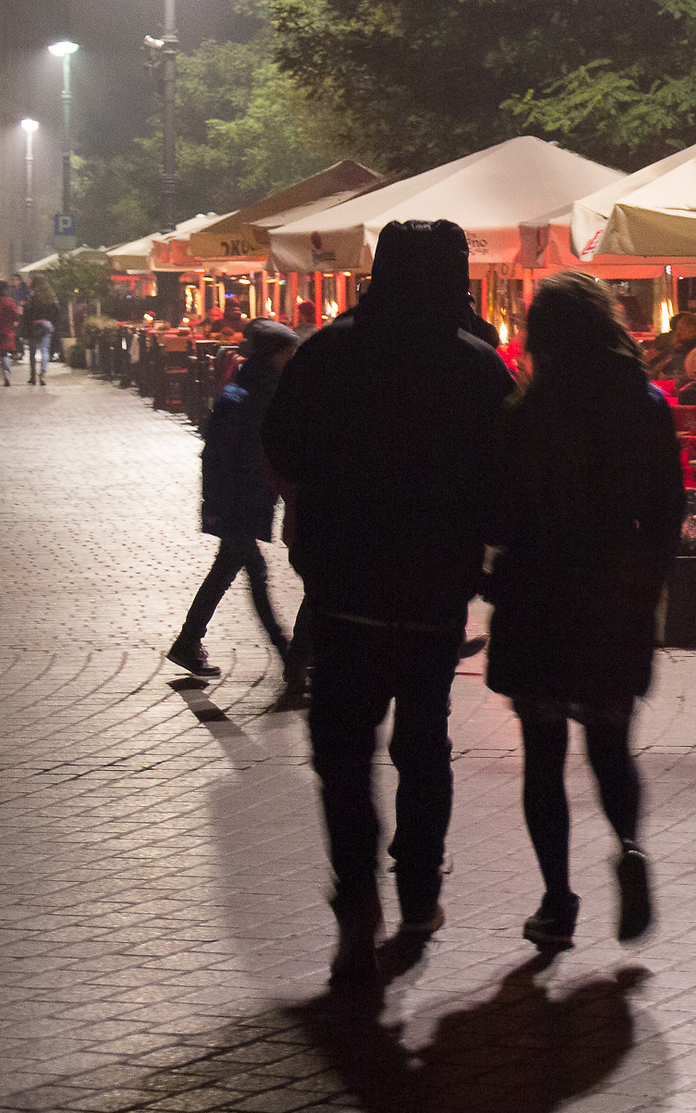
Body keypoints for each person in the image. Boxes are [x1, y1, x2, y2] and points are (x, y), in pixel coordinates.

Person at [261, 220, 514, 984]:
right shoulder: (478, 366)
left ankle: (357, 894)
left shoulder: (326, 354)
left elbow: (282, 450)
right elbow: (505, 483)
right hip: (434, 591)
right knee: (423, 742)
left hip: (345, 589)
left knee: (343, 751)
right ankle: (420, 891)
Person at [487, 272, 684, 951]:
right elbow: (667, 506)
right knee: (610, 740)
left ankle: (556, 899)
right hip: (613, 590)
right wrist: (649, 578)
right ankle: (629, 846)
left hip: (539, 591)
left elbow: (499, 511)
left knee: (543, 754)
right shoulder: (644, 403)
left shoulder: (527, 410)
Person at [166, 321, 302, 685]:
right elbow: (217, 455)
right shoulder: (245, 396)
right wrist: (215, 505)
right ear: (273, 355)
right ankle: (288, 654)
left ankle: (188, 642)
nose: (291, 359)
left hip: (246, 499)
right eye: (288, 352)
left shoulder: (258, 390)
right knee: (255, 575)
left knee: (226, 572)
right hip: (238, 502)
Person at [643, 311, 696, 382]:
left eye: (683, 330)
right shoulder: (674, 347)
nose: (678, 333)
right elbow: (651, 364)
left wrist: (663, 376)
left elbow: (681, 375)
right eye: (677, 329)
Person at [21, 275, 60, 385]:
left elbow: (27, 312)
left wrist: (25, 327)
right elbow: (57, 311)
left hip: (34, 325)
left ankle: (33, 375)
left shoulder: (31, 296)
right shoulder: (50, 296)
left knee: (32, 352)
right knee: (44, 350)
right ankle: (42, 374)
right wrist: (53, 324)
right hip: (47, 325)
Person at [0, 281, 15, 386]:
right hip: (7, 329)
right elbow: (15, 314)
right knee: (5, 353)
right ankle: (6, 372)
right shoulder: (10, 301)